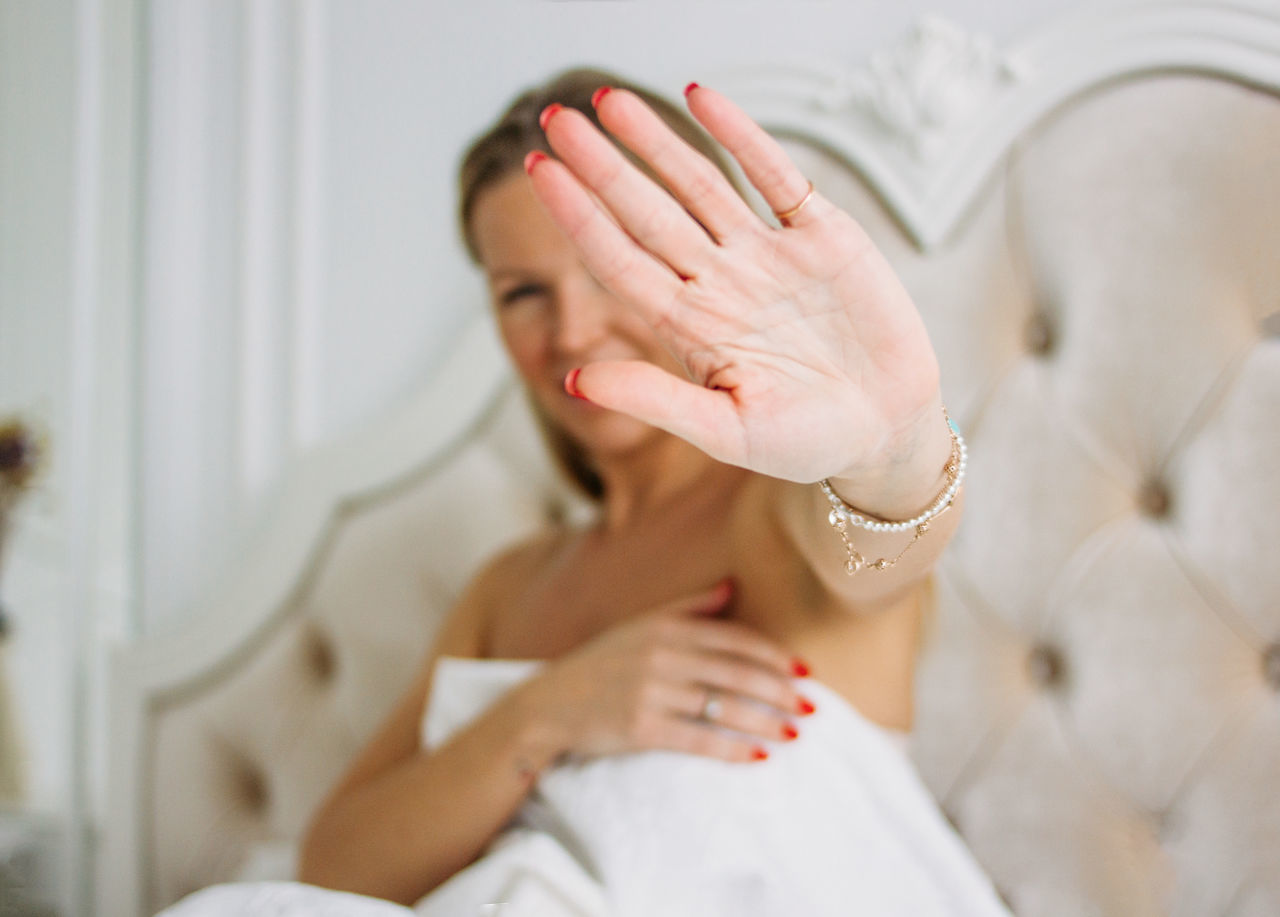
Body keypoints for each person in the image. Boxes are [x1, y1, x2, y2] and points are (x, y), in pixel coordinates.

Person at [167, 68, 1006, 916]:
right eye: (523, 293)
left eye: (611, 269)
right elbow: (335, 865)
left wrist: (894, 443)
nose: (571, 331)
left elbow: (887, 534)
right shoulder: (510, 588)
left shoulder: (781, 511)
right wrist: (550, 710)